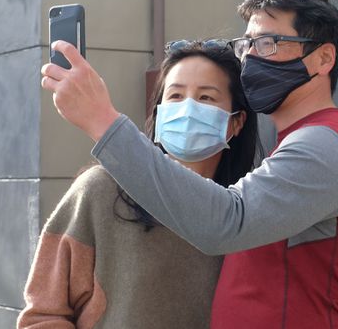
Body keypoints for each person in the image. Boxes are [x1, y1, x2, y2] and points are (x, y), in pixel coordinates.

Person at [41, 0, 338, 328]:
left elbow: (226, 222)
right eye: (246, 45)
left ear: (323, 58)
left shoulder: (323, 145)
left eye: (267, 43)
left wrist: (102, 121)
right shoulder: (300, 144)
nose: (250, 57)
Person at [19, 40, 260, 328]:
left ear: (236, 122)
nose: (187, 109)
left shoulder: (246, 211)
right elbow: (43, 315)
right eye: (175, 96)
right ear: (158, 114)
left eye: (206, 98)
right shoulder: (102, 190)